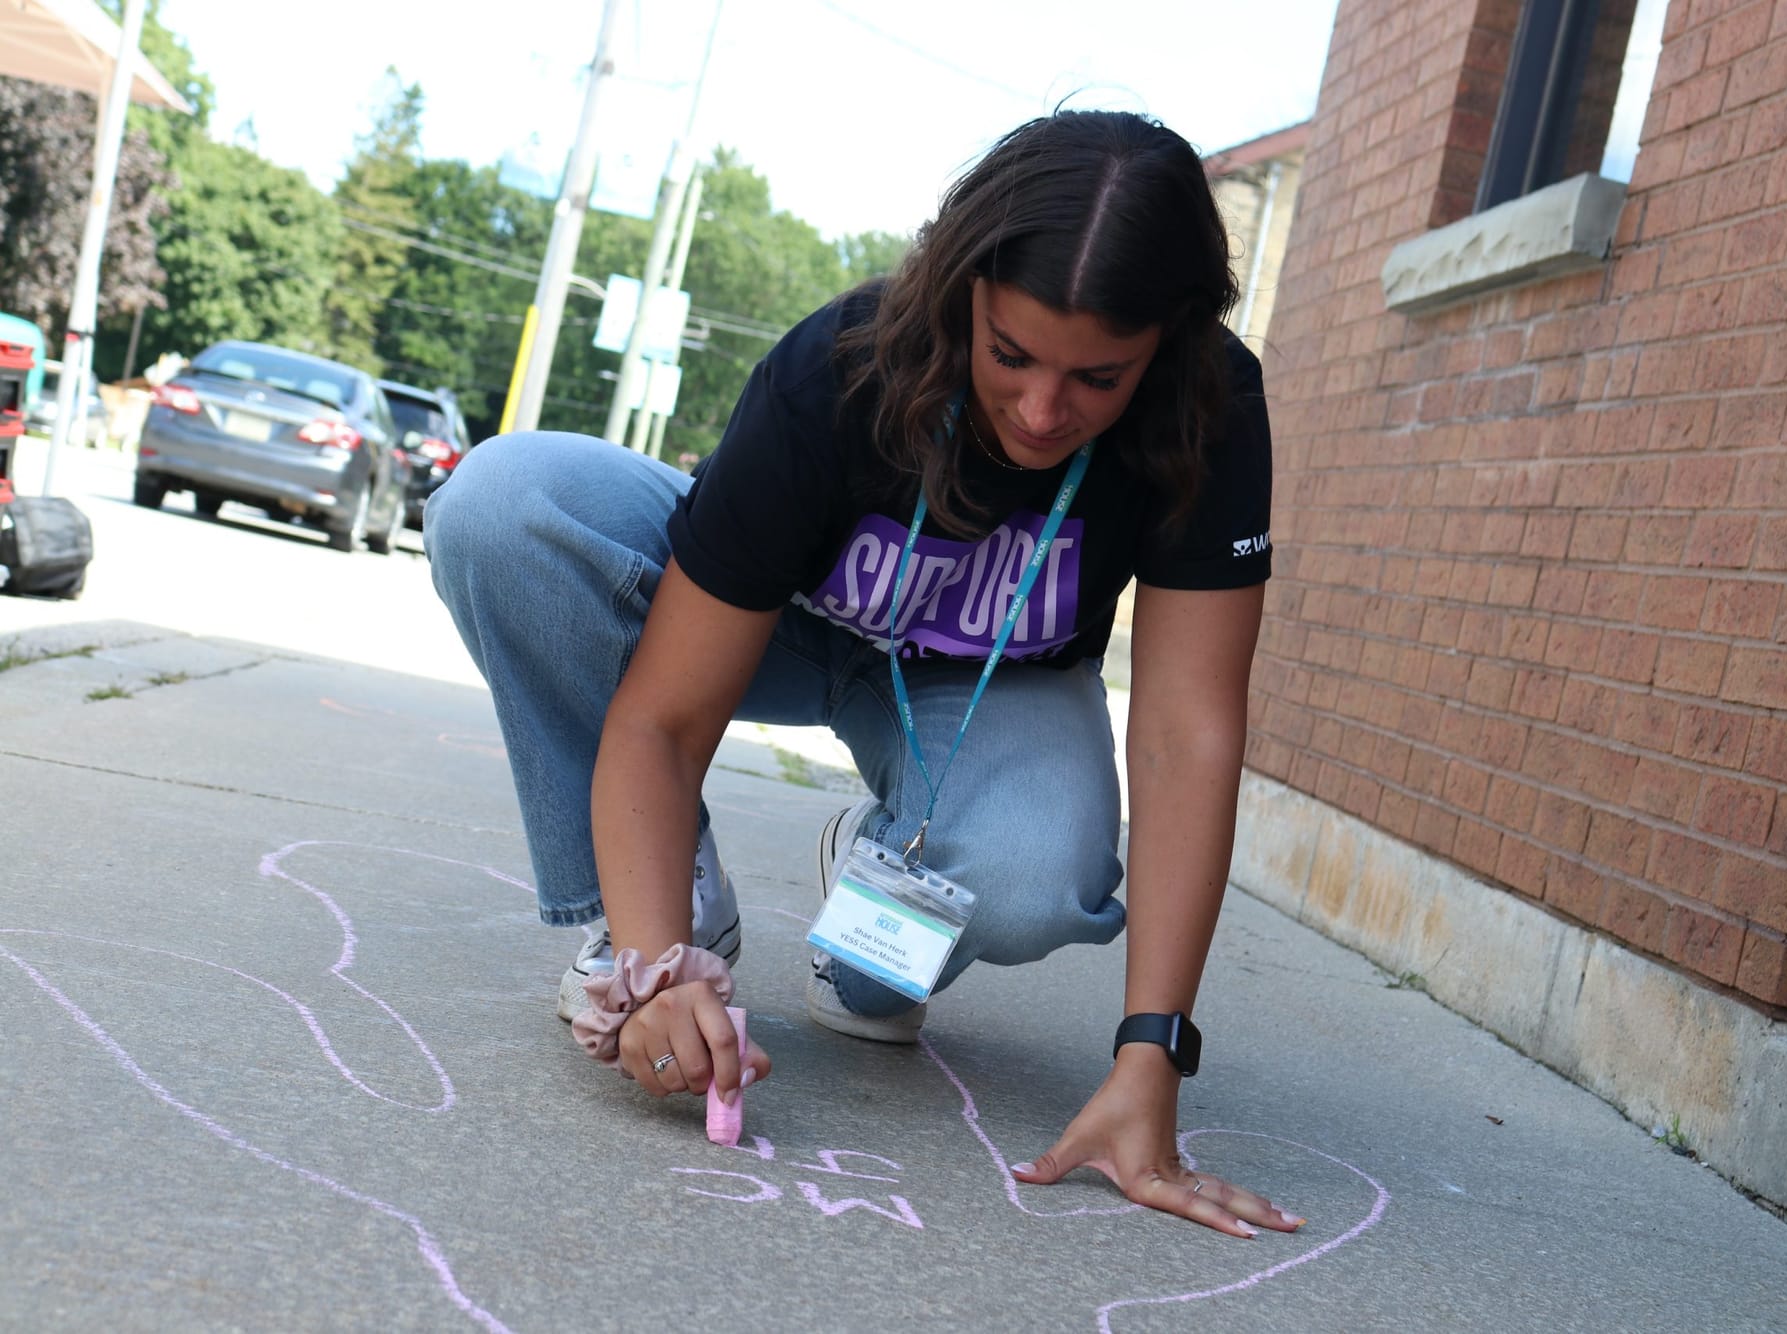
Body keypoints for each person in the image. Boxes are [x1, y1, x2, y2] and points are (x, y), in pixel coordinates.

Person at [427, 109, 1298, 1238]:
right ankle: (658, 914)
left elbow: (1186, 732)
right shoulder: (843, 366)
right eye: (1010, 355)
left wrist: (1151, 1052)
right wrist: (655, 970)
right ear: (960, 293)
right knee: (504, 507)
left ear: (1168, 342)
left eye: (1097, 377)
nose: (1042, 411)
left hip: (972, 685)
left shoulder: (1210, 407)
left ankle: (880, 907)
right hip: (772, 626)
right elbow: (664, 716)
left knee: (1037, 871)